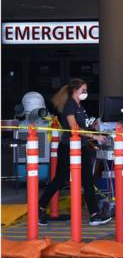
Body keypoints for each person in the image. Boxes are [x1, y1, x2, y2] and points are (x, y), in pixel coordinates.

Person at [39, 78, 111, 226]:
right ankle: (39, 209)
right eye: (82, 90)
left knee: (88, 180)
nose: (85, 92)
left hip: (82, 146)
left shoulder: (80, 106)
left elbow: (82, 126)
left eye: (86, 90)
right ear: (74, 91)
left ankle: (94, 214)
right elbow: (74, 128)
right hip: (68, 147)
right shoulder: (69, 106)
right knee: (60, 179)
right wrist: (94, 136)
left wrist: (95, 126)